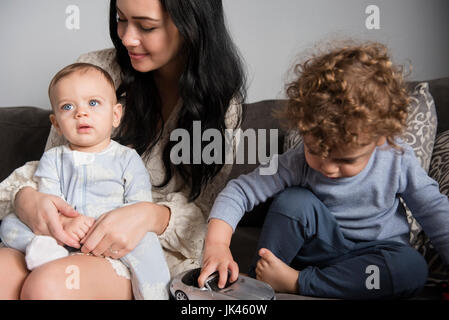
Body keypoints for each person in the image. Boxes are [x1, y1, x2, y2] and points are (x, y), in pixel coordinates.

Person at [0, 0, 246, 300]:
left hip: (142, 250)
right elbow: (53, 167)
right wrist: (27, 199)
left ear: (190, 26)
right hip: (64, 231)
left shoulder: (219, 106)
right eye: (121, 19)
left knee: (49, 285)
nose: (127, 38)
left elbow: (209, 219)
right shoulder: (96, 70)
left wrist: (149, 216)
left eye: (146, 26)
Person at [198, 42, 449, 299]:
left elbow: (434, 211)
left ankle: (297, 283)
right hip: (316, 251)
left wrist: (298, 280)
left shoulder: (397, 159)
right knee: (294, 202)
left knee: (412, 267)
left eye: (345, 160)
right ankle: (260, 282)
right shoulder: (298, 160)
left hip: (373, 258)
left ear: (380, 138)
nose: (327, 168)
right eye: (315, 151)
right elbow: (240, 190)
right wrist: (217, 245)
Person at [0, 62, 171, 300]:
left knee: (146, 244)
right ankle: (41, 249)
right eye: (68, 107)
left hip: (107, 242)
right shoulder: (53, 158)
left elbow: (138, 206)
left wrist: (103, 226)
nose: (81, 113)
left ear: (115, 115)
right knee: (10, 224)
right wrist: (64, 223)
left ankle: (154, 292)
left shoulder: (126, 159)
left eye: (93, 103)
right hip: (60, 236)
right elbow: (51, 200)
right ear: (57, 124)